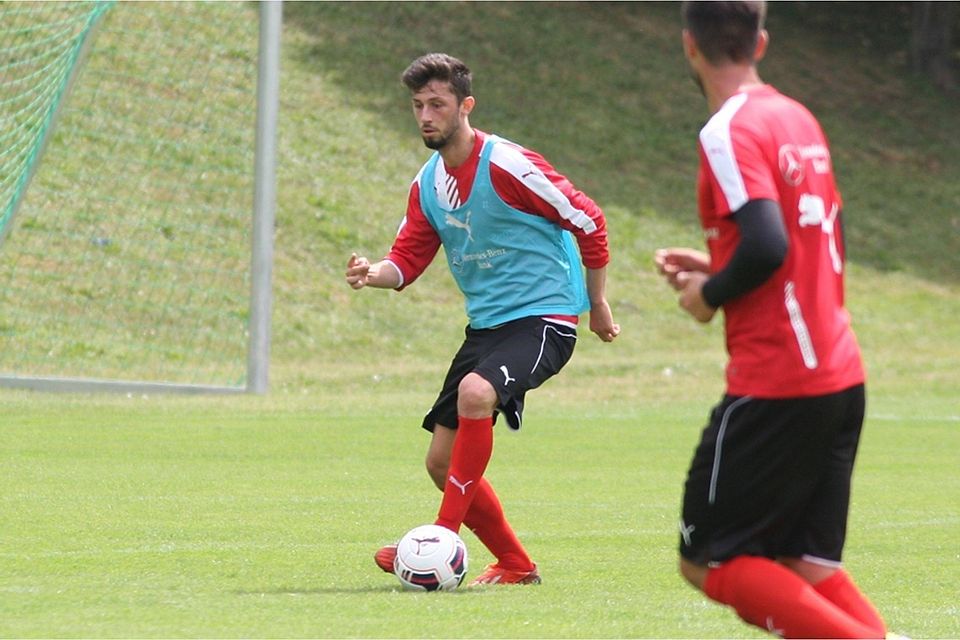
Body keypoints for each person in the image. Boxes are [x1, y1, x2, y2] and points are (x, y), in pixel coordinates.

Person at [655, 2, 887, 637]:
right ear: (760, 42)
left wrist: (710, 293)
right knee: (802, 563)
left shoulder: (727, 131)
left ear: (690, 46)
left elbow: (766, 245)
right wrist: (720, 263)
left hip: (780, 379)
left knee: (709, 559)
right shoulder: (796, 117)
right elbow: (809, 240)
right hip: (840, 371)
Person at [345, 53, 620, 586]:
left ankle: (438, 539)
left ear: (465, 106)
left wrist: (598, 303)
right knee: (440, 462)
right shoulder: (428, 184)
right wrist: (370, 273)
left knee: (476, 393)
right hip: (487, 329)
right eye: (418, 105)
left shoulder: (509, 165)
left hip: (545, 319)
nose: (426, 116)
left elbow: (588, 219)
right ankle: (515, 563)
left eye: (437, 104)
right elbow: (406, 260)